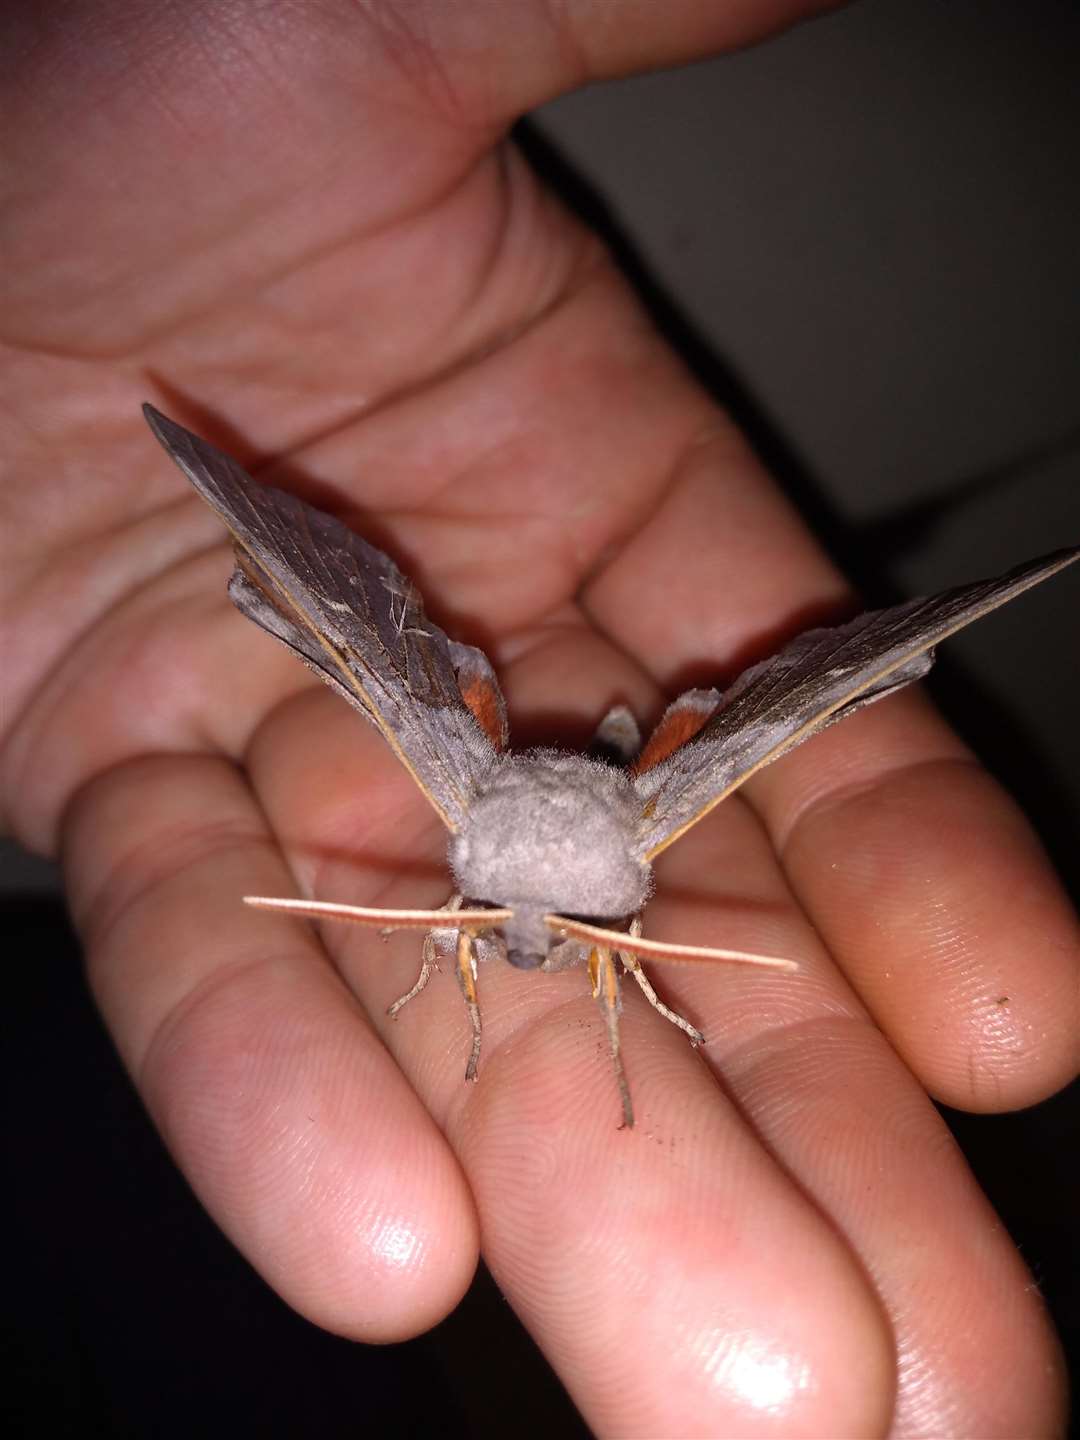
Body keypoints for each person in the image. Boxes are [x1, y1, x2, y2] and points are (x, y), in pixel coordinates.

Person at [2, 3, 1075, 1432]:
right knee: (323, 628)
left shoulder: (551, 845)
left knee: (746, 715)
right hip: (569, 774)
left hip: (619, 773)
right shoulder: (487, 861)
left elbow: (574, 939)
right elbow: (494, 930)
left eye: (508, 937)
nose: (509, 949)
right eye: (517, 936)